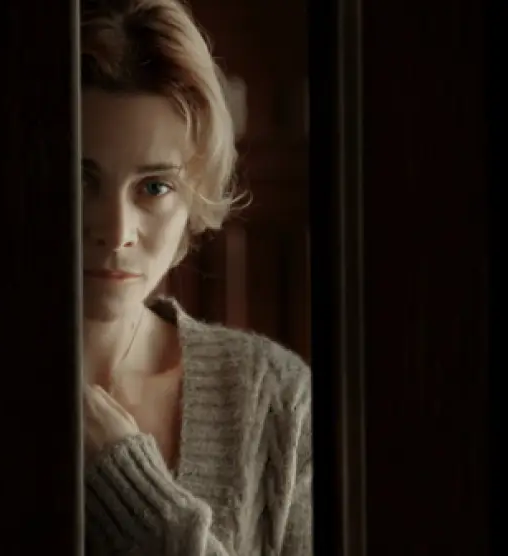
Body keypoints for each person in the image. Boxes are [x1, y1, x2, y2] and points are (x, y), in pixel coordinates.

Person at [80, 0, 313, 554]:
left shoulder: (273, 396)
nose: (116, 231)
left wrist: (134, 494)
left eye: (154, 187)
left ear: (194, 198)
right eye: (81, 180)